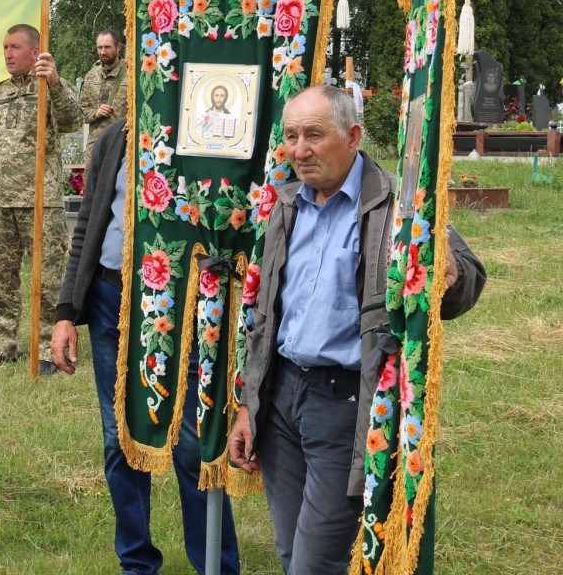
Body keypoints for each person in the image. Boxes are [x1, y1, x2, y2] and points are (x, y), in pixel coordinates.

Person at [227, 85, 486, 574]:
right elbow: (263, 319)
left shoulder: (398, 204)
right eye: (291, 137)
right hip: (281, 400)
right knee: (291, 553)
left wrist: (449, 277)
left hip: (345, 406)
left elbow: (467, 277)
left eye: (314, 136)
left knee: (315, 563)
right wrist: (248, 404)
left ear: (353, 136)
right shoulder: (283, 205)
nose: (300, 150)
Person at [51, 117, 240, 575]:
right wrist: (65, 311)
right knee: (119, 439)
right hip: (110, 299)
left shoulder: (204, 131)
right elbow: (89, 225)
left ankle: (215, 563)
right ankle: (136, 562)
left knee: (192, 442)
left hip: (183, 302)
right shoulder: (117, 136)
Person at [0, 24, 83, 372]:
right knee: (2, 278)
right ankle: (3, 344)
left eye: (14, 47)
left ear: (35, 52)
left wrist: (53, 82)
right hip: (2, 198)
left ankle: (49, 348)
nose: (7, 53)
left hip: (40, 199)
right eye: (5, 47)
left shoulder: (49, 86)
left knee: (48, 280)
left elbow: (72, 121)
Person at [78, 28, 129, 163]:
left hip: (122, 145)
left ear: (118, 47)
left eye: (107, 47)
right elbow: (80, 111)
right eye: (99, 47)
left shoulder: (131, 75)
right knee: (92, 184)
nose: (102, 52)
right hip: (95, 146)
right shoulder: (91, 76)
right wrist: (96, 113)